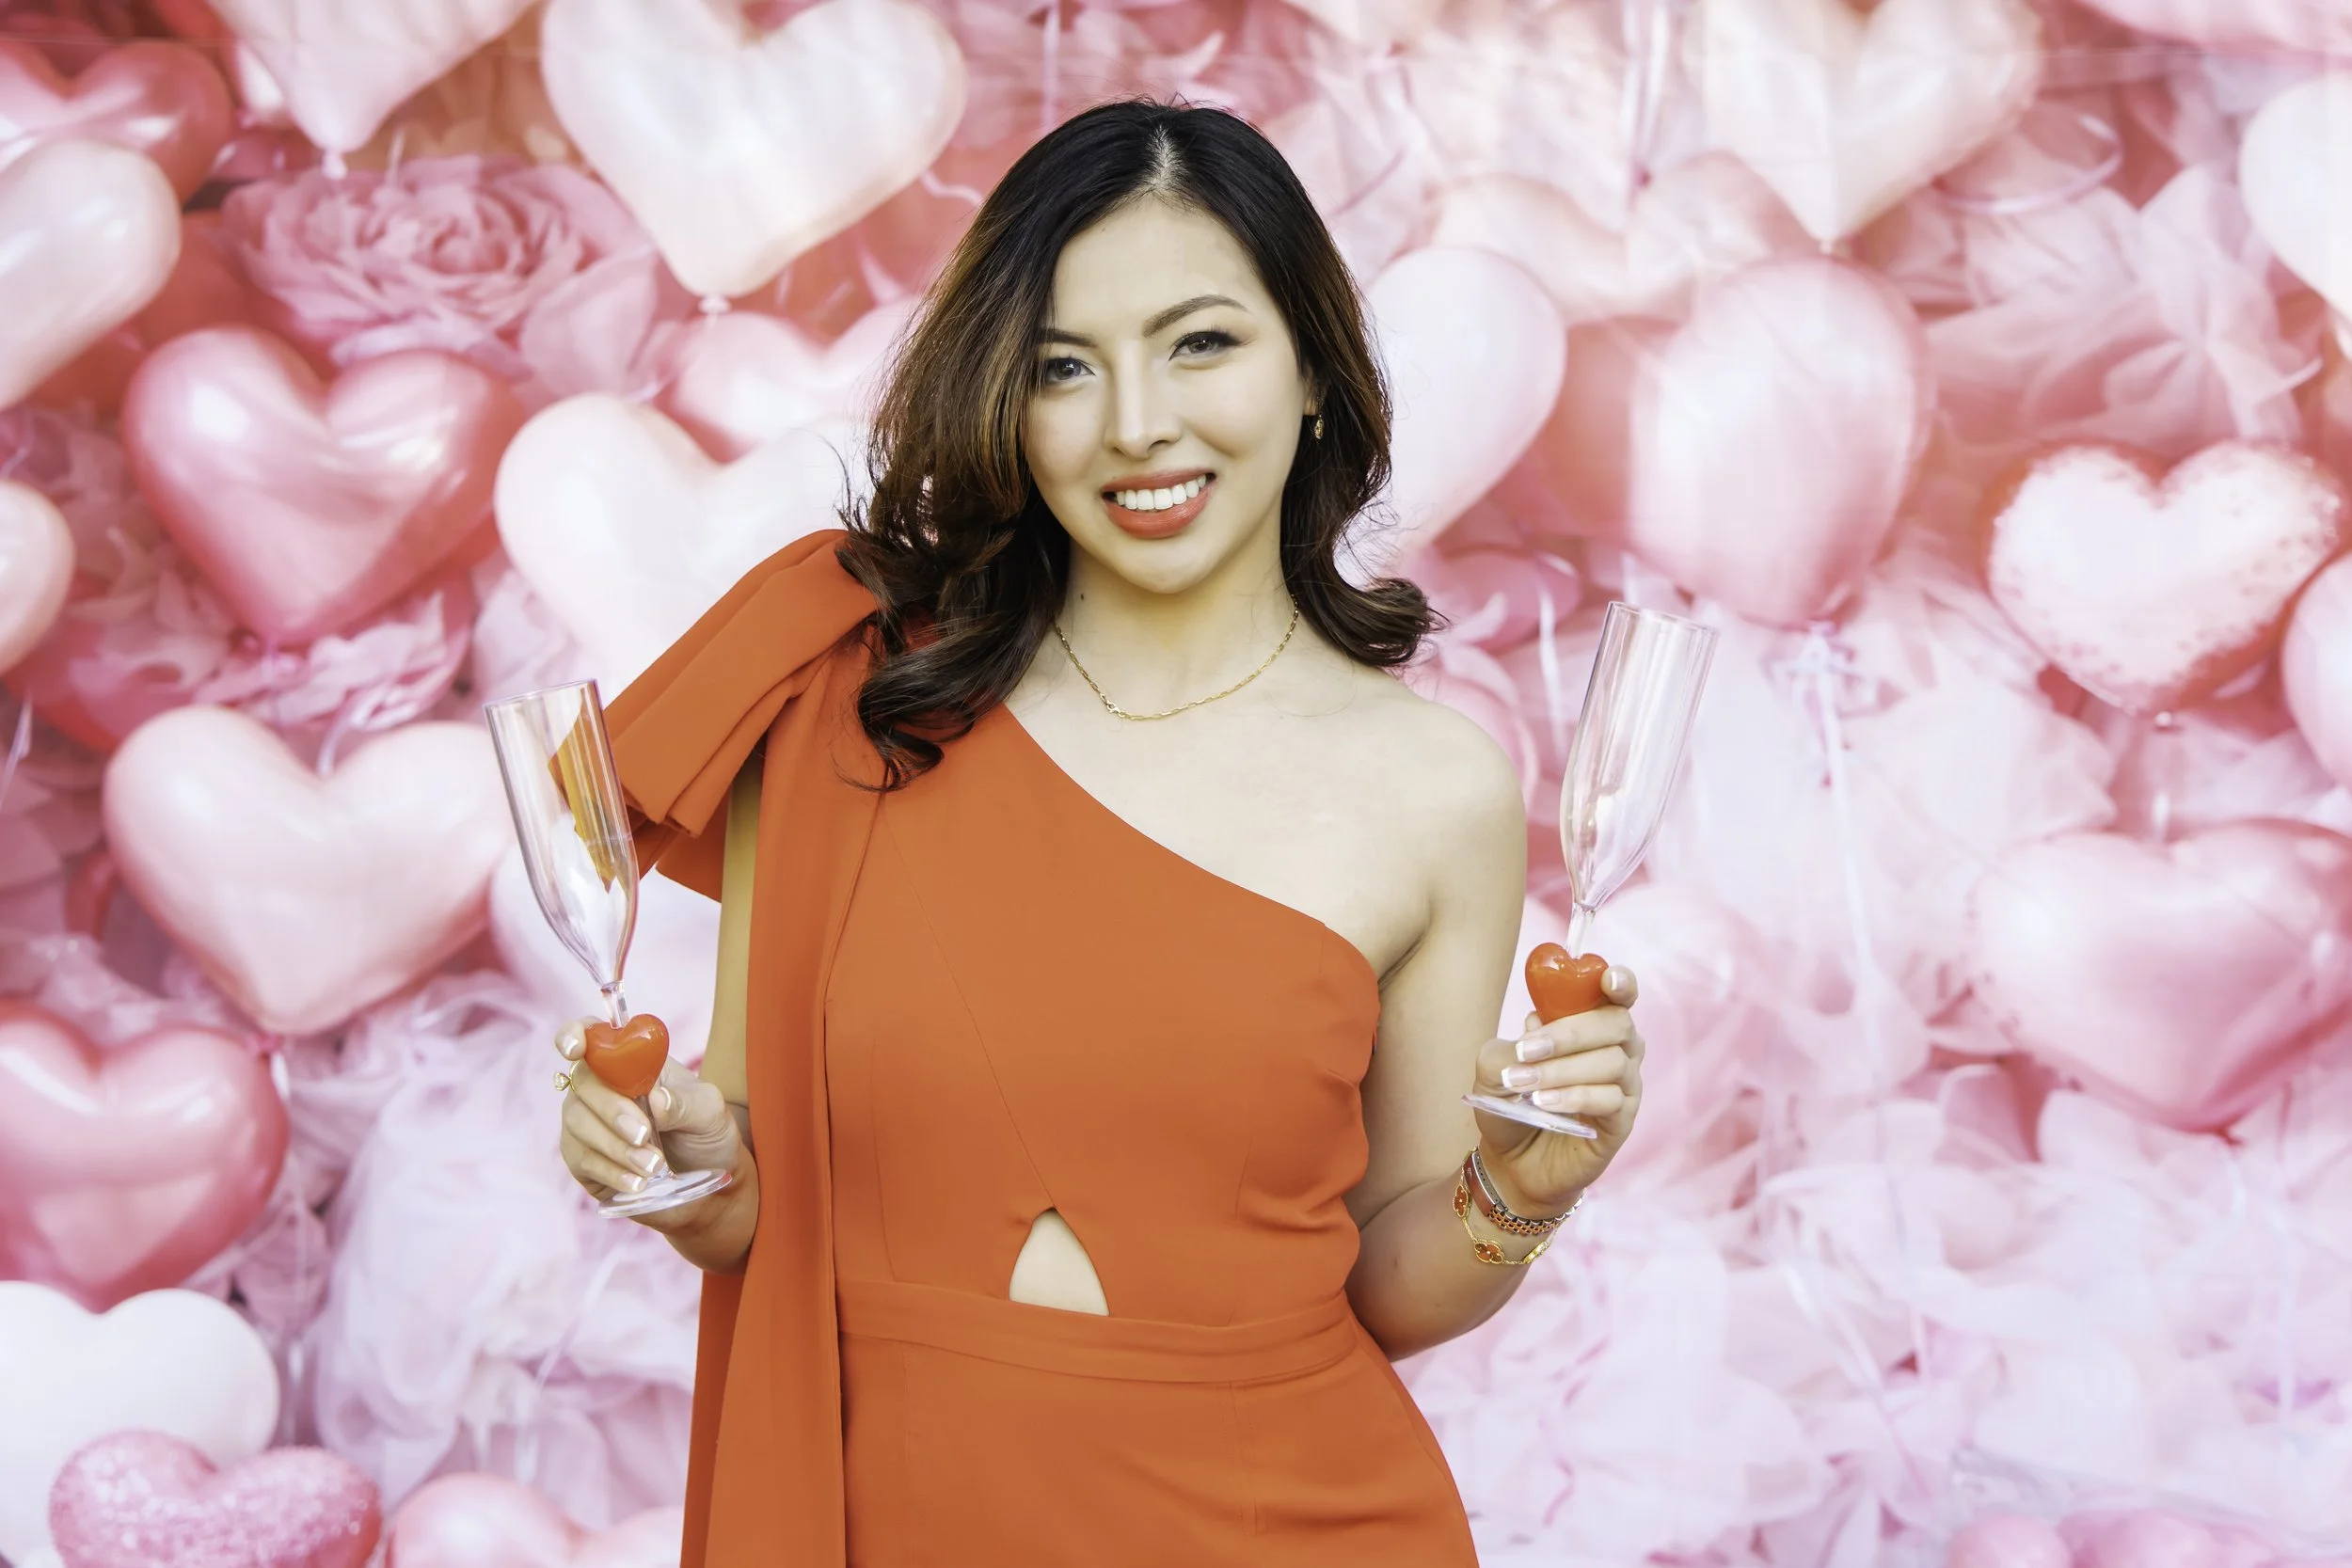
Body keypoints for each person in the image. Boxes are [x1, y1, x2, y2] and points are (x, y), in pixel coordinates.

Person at [550, 99, 1646, 1567]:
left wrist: (1521, 1187)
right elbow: (753, 1204)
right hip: (896, 1518)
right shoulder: (846, 690)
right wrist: (683, 1166)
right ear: (1008, 396)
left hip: (1292, 1519)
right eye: (1066, 366)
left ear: (1317, 369)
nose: (1139, 422)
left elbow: (1393, 1281)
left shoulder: (1435, 789)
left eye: (1203, 342)